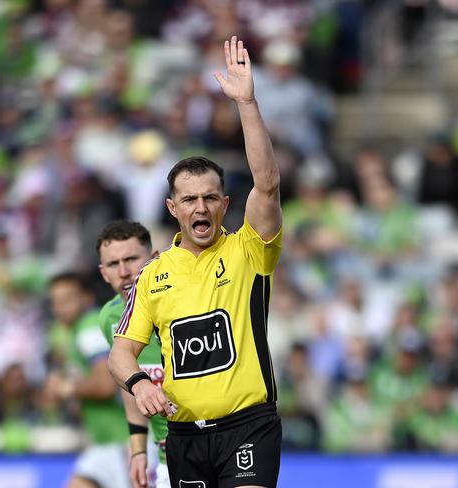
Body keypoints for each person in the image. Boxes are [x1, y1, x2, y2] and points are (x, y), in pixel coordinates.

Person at [108, 35, 283, 488]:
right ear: (173, 208)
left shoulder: (249, 248)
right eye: (189, 199)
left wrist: (246, 103)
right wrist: (139, 386)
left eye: (209, 198)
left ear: (225, 204)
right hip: (184, 437)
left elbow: (266, 184)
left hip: (249, 426)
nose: (200, 208)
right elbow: (121, 353)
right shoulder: (153, 274)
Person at [96, 220, 170, 488]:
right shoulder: (109, 318)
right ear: (104, 273)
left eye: (131, 259)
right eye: (113, 265)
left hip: (216, 442)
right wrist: (138, 450)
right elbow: (130, 386)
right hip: (167, 456)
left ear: (153, 259)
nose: (124, 272)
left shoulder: (180, 302)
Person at [44, 272, 131, 488]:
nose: (59, 307)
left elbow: (106, 385)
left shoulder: (90, 329)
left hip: (121, 441)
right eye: (55, 302)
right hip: (109, 441)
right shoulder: (73, 333)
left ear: (87, 298)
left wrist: (64, 388)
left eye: (67, 299)